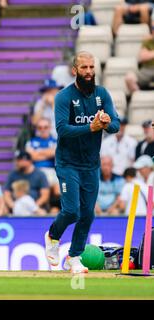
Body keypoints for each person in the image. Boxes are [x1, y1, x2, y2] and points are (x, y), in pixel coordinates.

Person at [44, 51, 120, 274]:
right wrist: (91, 127)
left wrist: (106, 122)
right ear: (74, 70)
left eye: (91, 67)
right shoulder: (64, 97)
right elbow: (62, 130)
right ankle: (52, 236)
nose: (88, 72)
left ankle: (74, 257)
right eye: (84, 68)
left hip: (91, 164)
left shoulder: (102, 94)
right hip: (68, 163)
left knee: (88, 214)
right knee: (71, 211)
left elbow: (116, 125)